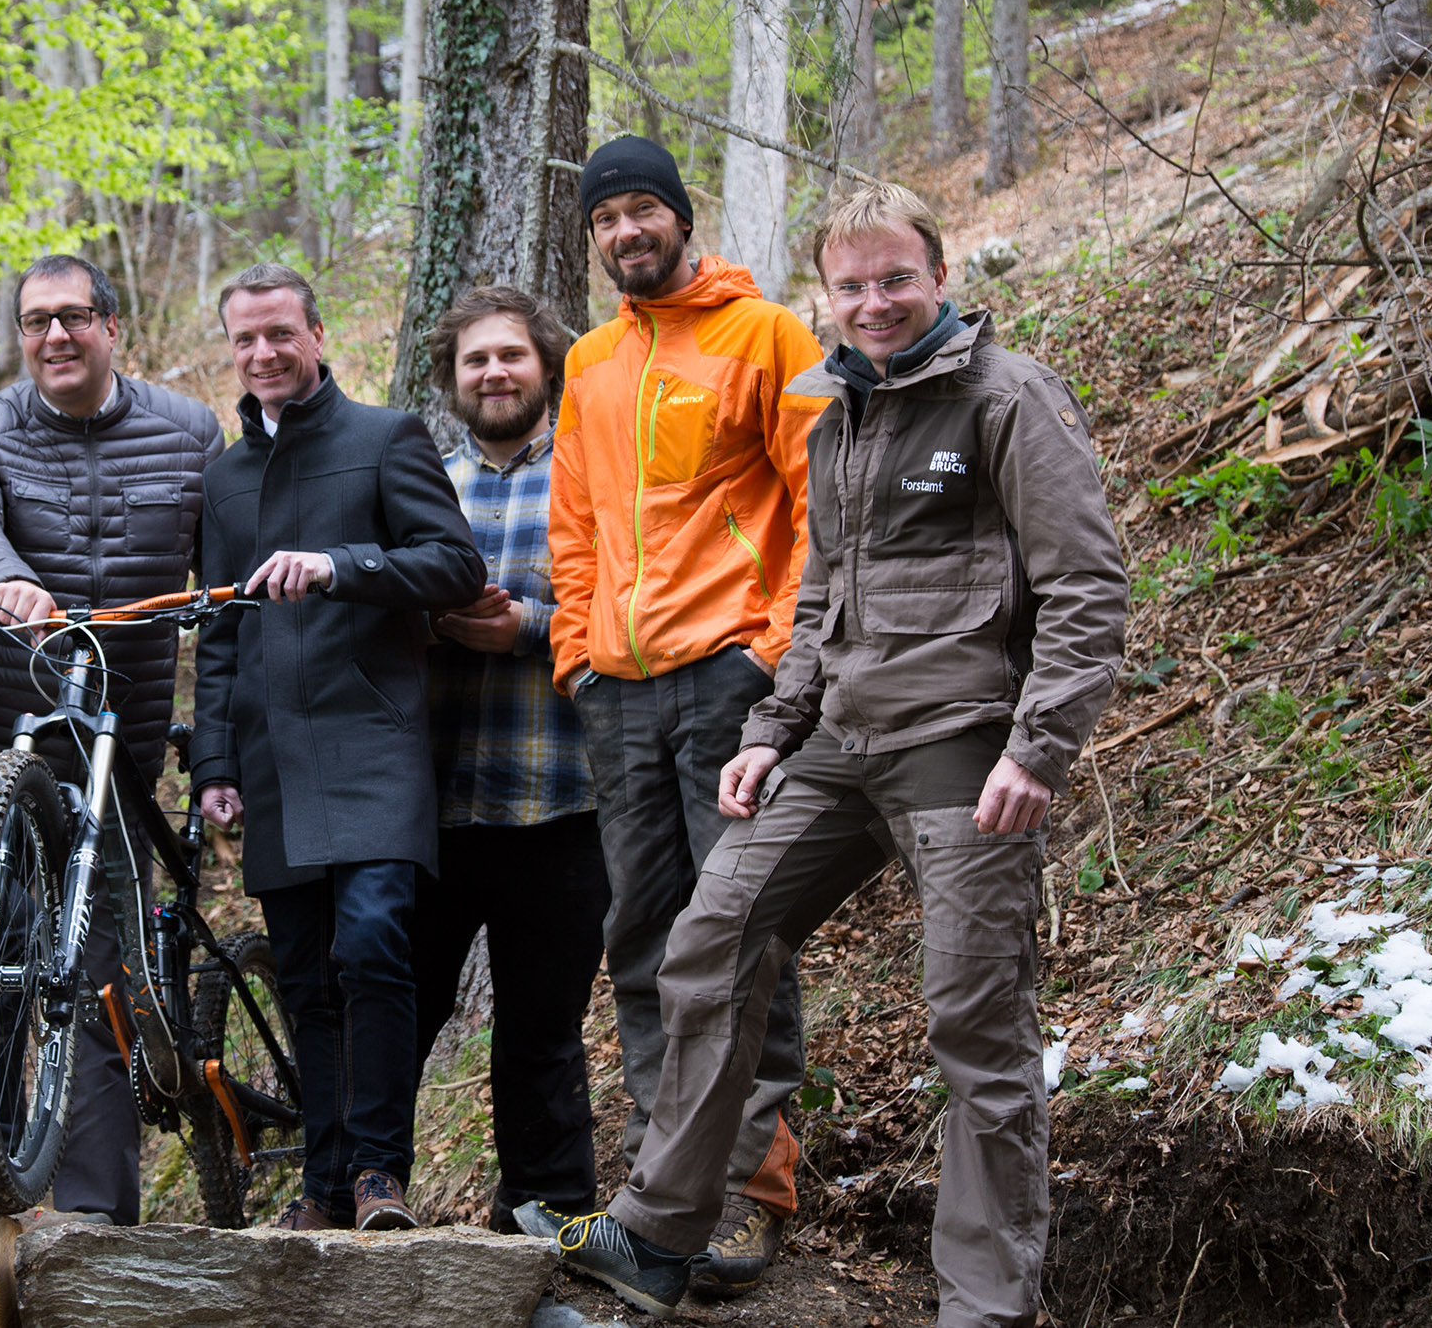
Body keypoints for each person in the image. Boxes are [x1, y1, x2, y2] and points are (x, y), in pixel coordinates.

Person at [541, 183, 1129, 1325]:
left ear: (940, 276)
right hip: (836, 745)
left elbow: (1085, 586)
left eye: (895, 277)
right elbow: (820, 597)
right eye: (851, 284)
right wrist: (773, 732)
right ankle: (661, 1231)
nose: (874, 301)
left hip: (963, 750)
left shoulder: (1008, 398)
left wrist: (1038, 747)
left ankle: (984, 1302)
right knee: (709, 937)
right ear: (830, 293)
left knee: (975, 1020)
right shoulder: (841, 409)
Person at [542, 134, 827, 1292]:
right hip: (617, 690)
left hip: (726, 677)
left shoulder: (769, 336)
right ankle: (672, 1184)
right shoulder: (590, 362)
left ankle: (753, 1188)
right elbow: (573, 529)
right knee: (642, 938)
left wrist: (775, 655)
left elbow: (822, 504)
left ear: (679, 213)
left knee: (740, 928)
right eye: (605, 218)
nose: (625, 231)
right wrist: (576, 657)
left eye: (641, 210)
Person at [189, 261, 485, 1232]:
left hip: (372, 746)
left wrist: (339, 564)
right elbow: (223, 632)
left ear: (317, 335)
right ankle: (322, 1185)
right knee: (308, 978)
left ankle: (379, 1174)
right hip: (272, 760)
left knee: (372, 947)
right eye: (246, 338)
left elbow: (453, 563)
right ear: (231, 349)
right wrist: (217, 765)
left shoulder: (382, 438)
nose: (265, 352)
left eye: (281, 332)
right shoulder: (224, 477)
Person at [0, 252, 223, 1225]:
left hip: (119, 747)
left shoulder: (188, 431)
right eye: (36, 320)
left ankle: (98, 1217)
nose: (55, 335)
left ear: (110, 324)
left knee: (96, 975)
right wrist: (8, 578)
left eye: (73, 317)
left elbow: (218, 587)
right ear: (21, 337)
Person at [411, 286, 612, 1234]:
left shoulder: (592, 474)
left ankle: (547, 1210)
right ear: (451, 379)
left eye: (511, 356)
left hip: (562, 802)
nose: (494, 373)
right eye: (475, 360)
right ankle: (364, 1197)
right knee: (398, 1013)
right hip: (431, 807)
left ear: (545, 367)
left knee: (540, 1027)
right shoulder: (422, 487)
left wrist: (524, 629)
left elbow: (628, 613)